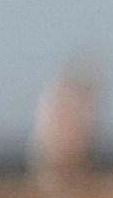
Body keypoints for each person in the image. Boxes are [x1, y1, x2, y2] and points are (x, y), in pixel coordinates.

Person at [32, 56, 100, 189]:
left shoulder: (77, 100)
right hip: (56, 148)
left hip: (67, 149)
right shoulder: (61, 95)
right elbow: (52, 129)